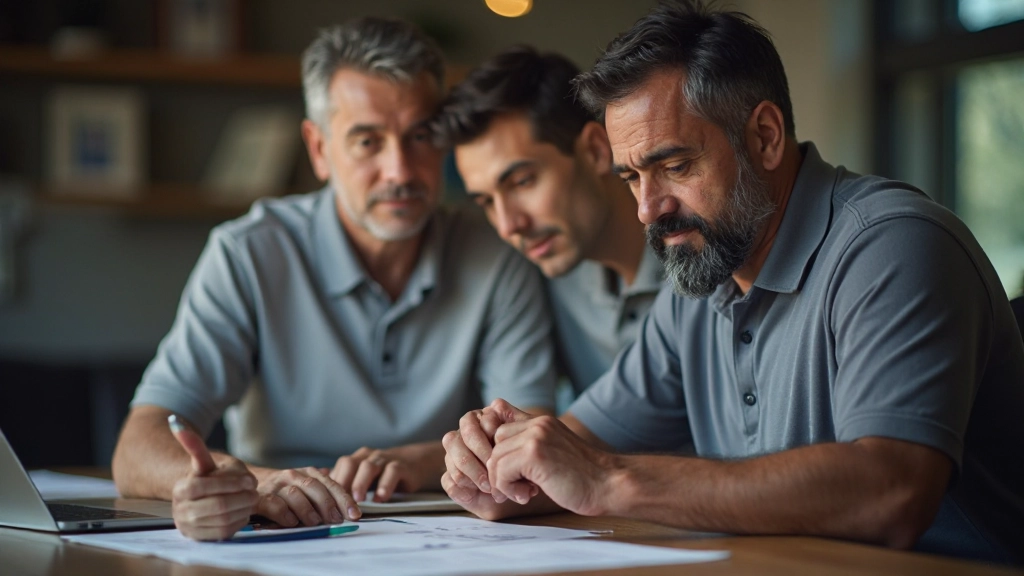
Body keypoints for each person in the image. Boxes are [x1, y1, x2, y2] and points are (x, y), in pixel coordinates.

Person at [440, 0, 1024, 565]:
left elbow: (891, 492)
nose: (647, 209)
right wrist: (498, 469)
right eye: (631, 177)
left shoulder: (893, 247)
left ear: (765, 136)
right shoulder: (702, 281)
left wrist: (609, 479)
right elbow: (573, 453)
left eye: (675, 166)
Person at [111, 17, 557, 541]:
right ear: (319, 149)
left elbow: (532, 441)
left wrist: (420, 460)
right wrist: (258, 485)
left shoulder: (499, 258)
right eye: (368, 141)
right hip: (277, 536)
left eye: (420, 136)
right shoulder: (249, 253)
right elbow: (136, 448)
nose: (400, 171)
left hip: (449, 535)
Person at [433, 46, 664, 400]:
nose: (509, 226)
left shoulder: (705, 261)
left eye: (522, 181)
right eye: (487, 202)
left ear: (596, 150)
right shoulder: (543, 277)